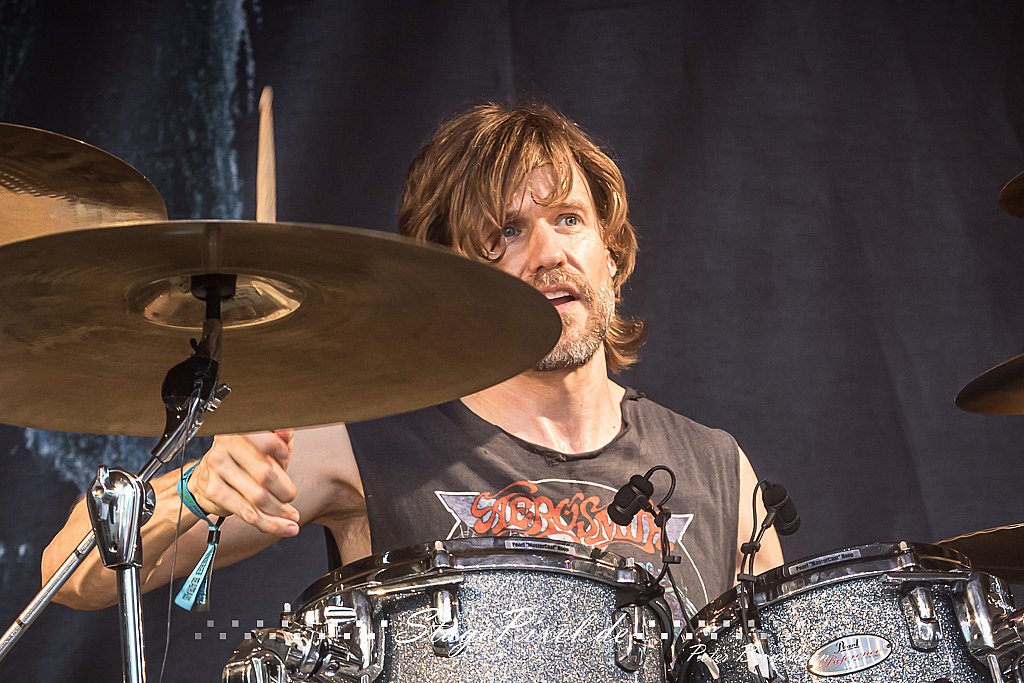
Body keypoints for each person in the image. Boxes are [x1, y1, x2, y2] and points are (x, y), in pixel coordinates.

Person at [42, 102, 782, 620]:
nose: (548, 253)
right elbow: (70, 576)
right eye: (505, 233)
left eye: (568, 219)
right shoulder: (364, 443)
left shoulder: (719, 468)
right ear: (453, 279)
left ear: (611, 255)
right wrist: (198, 489)